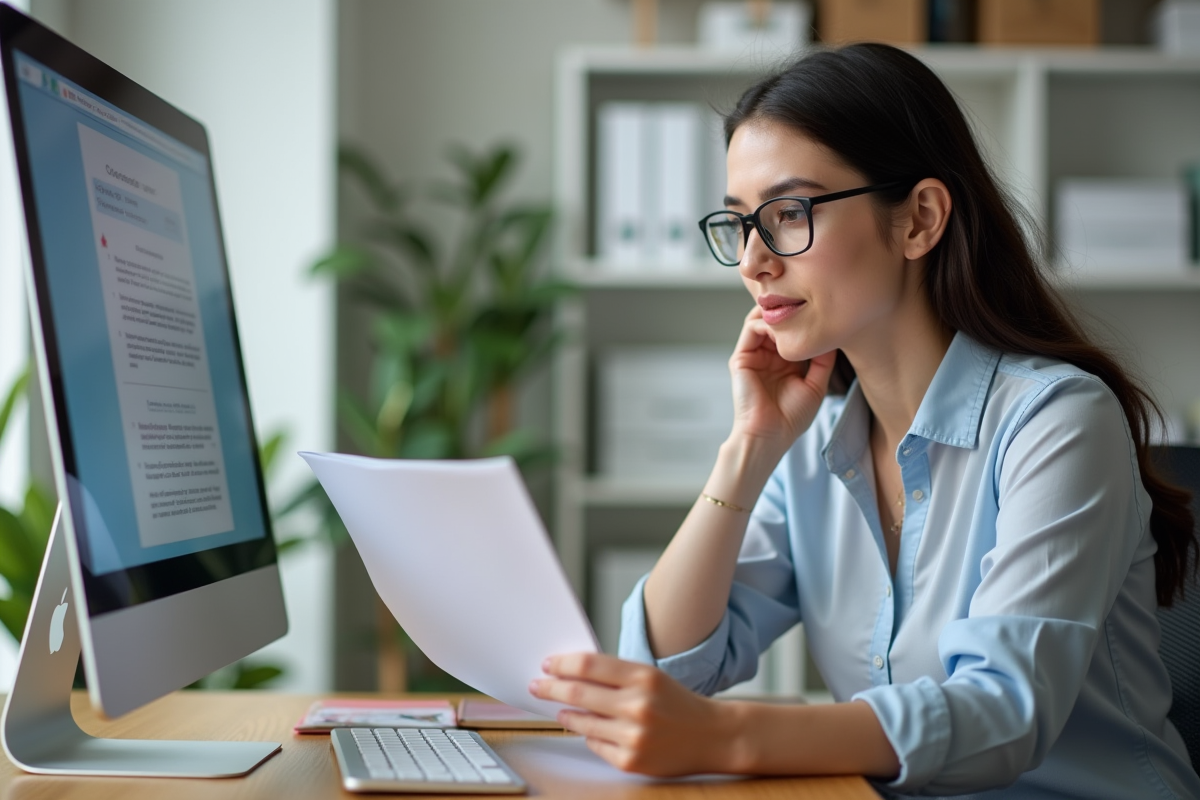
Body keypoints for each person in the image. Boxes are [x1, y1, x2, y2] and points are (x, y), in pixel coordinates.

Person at [528, 43, 1200, 798]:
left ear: (918, 219)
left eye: (787, 214)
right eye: (740, 223)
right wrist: (746, 450)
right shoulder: (814, 443)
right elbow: (661, 674)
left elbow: (1002, 711)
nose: (753, 260)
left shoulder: (1057, 421)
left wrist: (724, 735)